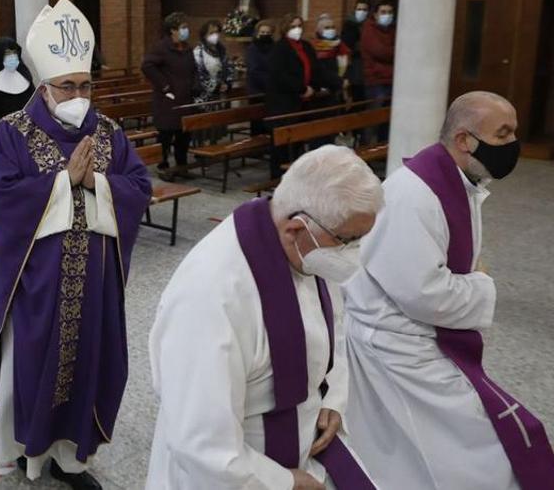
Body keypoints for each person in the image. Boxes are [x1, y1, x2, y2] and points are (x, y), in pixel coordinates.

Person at [343, 92, 554, 489]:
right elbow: (423, 294)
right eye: (504, 134)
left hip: (417, 339)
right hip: (398, 346)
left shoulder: (457, 180)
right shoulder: (413, 195)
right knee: (470, 444)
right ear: (465, 140)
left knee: (430, 445)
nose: (513, 143)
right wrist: (481, 285)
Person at [0, 0, 151, 490]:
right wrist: (61, 182)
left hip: (93, 280)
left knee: (85, 365)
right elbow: (3, 200)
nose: (78, 94)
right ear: (44, 87)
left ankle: (72, 460)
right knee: (34, 364)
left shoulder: (110, 132)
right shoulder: (12, 132)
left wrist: (96, 181)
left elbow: (139, 188)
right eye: (67, 86)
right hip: (36, 281)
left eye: (85, 85)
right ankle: (28, 453)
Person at [148, 145, 382, 490]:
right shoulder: (213, 294)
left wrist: (333, 397)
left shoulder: (308, 246)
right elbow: (202, 444)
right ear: (295, 229)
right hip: (235, 472)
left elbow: (332, 325)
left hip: (299, 439)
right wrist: (284, 481)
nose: (354, 254)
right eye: (349, 241)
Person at [141, 12, 196, 173]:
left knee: (183, 134)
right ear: (173, 30)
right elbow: (147, 66)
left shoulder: (187, 48)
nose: (186, 31)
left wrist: (195, 84)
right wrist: (165, 86)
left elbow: (193, 69)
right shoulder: (162, 48)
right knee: (166, 134)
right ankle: (163, 164)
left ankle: (181, 165)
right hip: (168, 100)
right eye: (183, 28)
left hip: (186, 97)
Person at [265, 14, 318, 179]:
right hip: (283, 102)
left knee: (298, 140)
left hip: (302, 101)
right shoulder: (279, 48)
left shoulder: (306, 47)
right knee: (281, 142)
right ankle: (277, 174)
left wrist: (315, 86)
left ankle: (294, 173)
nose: (297, 29)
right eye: (293, 26)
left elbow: (315, 69)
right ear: (285, 29)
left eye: (299, 26)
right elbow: (280, 75)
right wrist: (302, 89)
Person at [311, 14, 351, 105]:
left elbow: (347, 67)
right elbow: (320, 71)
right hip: (324, 92)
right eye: (327, 27)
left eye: (333, 27)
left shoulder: (340, 46)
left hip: (340, 90)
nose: (331, 30)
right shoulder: (314, 47)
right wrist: (339, 82)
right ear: (319, 30)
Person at [192, 19, 234, 106]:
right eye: (211, 33)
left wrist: (227, 83)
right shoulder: (198, 52)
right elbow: (200, 74)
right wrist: (217, 86)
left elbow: (230, 67)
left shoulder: (222, 50)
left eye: (217, 32)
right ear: (204, 35)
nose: (215, 35)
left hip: (223, 96)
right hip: (205, 98)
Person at [360, 2, 396, 104]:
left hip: (392, 79)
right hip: (376, 80)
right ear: (376, 15)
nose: (387, 15)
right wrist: (397, 51)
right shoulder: (369, 29)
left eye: (390, 12)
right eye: (383, 12)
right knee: (376, 113)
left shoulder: (393, 30)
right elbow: (381, 52)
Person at [341, 0, 372, 103]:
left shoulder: (371, 26)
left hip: (367, 70)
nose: (361, 12)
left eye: (364, 9)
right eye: (359, 9)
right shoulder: (349, 25)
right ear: (355, 10)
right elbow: (346, 46)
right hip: (353, 67)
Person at [245, 21, 275, 97]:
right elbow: (254, 70)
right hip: (257, 90)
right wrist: (271, 83)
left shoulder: (275, 47)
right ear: (257, 33)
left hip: (273, 89)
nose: (265, 34)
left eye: (268, 32)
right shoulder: (252, 48)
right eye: (262, 32)